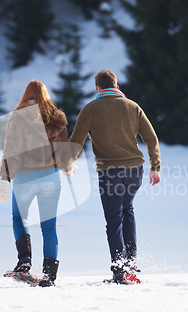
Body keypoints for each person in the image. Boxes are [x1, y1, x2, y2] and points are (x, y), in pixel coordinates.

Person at [69, 69, 161, 284]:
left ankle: (119, 270)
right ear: (117, 87)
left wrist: (69, 162)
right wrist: (155, 166)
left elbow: (76, 141)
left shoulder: (90, 109)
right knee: (127, 209)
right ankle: (131, 261)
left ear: (98, 89)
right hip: (135, 171)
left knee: (113, 219)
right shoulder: (133, 107)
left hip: (110, 172)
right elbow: (151, 138)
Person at [0, 80, 74, 287]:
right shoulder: (57, 117)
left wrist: (4, 180)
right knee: (49, 227)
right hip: (51, 177)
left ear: (26, 95)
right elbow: (64, 150)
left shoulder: (18, 116)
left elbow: (10, 151)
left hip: (24, 178)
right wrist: (67, 167)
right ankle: (49, 276)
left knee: (18, 217)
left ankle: (24, 263)